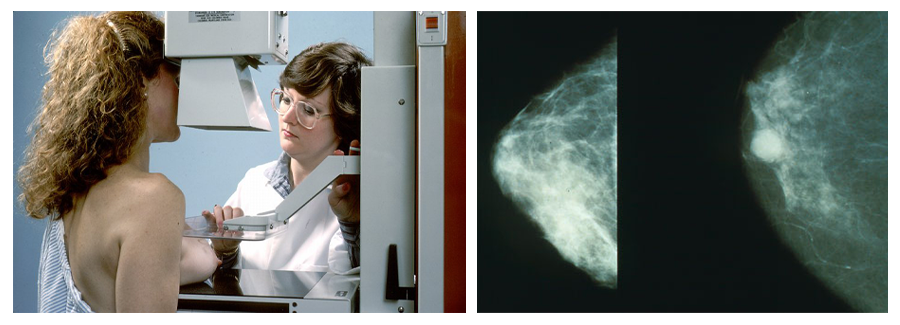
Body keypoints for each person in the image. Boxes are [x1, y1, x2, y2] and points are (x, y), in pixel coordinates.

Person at [17, 11, 220, 312]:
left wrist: (202, 257)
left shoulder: (73, 194)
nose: (183, 90)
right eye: (175, 77)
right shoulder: (155, 198)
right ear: (140, 81)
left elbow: (119, 273)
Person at [203, 42, 369, 273]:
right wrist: (226, 252)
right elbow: (228, 279)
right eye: (286, 99)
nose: (288, 117)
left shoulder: (355, 202)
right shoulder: (254, 182)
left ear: (343, 124)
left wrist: (352, 226)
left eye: (309, 110)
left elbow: (368, 284)